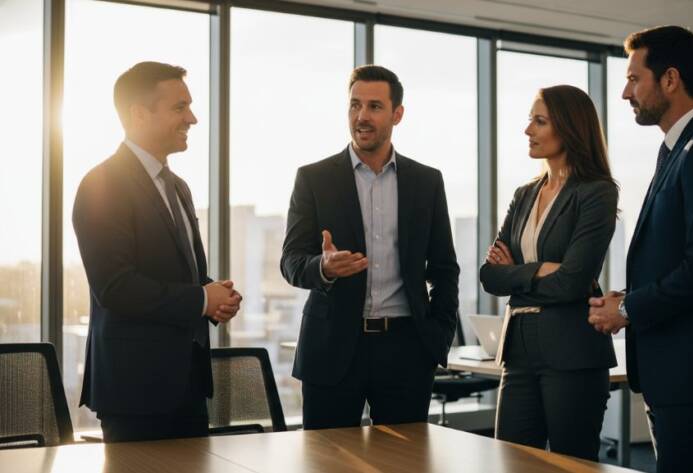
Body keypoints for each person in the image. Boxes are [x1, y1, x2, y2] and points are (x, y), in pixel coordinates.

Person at [586, 26, 693, 473]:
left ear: (670, 79)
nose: (625, 92)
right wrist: (627, 298)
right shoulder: (679, 149)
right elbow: (678, 257)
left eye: (634, 78)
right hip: (675, 371)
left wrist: (628, 310)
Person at [280, 65, 459, 429]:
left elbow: (444, 268)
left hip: (406, 350)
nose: (362, 116)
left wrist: (437, 336)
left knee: (406, 458)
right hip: (331, 348)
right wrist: (323, 267)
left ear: (397, 114)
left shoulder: (427, 182)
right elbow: (291, 261)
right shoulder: (314, 178)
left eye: (375, 106)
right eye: (355, 105)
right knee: (327, 456)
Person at [72, 62, 242, 443]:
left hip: (188, 385)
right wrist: (201, 299)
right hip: (135, 392)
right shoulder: (101, 184)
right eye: (180, 107)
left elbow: (183, 276)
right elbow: (115, 286)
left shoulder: (178, 186)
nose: (192, 118)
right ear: (138, 114)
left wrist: (216, 297)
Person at [479, 85, 618, 461]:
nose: (528, 130)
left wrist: (516, 274)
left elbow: (573, 282)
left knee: (572, 463)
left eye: (539, 121)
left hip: (571, 350)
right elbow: (489, 276)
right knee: (512, 461)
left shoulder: (597, 192)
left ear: (570, 128)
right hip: (518, 349)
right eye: (530, 120)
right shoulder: (524, 194)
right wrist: (540, 269)